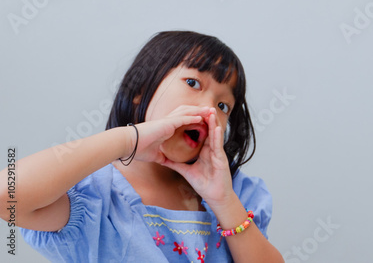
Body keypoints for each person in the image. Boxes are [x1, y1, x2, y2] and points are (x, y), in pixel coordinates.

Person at [0, 31, 284, 262]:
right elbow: (8, 196)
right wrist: (128, 139)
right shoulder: (96, 197)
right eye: (193, 83)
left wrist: (224, 201)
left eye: (223, 105)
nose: (209, 109)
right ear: (139, 92)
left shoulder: (239, 195)